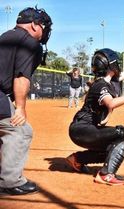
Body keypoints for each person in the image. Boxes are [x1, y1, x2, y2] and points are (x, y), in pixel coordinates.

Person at [65, 48, 124, 186]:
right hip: (82, 129)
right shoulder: (100, 85)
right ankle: (106, 175)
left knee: (113, 150)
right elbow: (110, 103)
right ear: (111, 66)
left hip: (83, 128)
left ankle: (77, 159)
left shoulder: (110, 80)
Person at [0, 7, 52, 195]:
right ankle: (10, 181)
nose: (45, 32)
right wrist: (20, 108)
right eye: (44, 27)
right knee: (20, 130)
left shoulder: (6, 36)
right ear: (34, 25)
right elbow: (21, 77)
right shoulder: (28, 42)